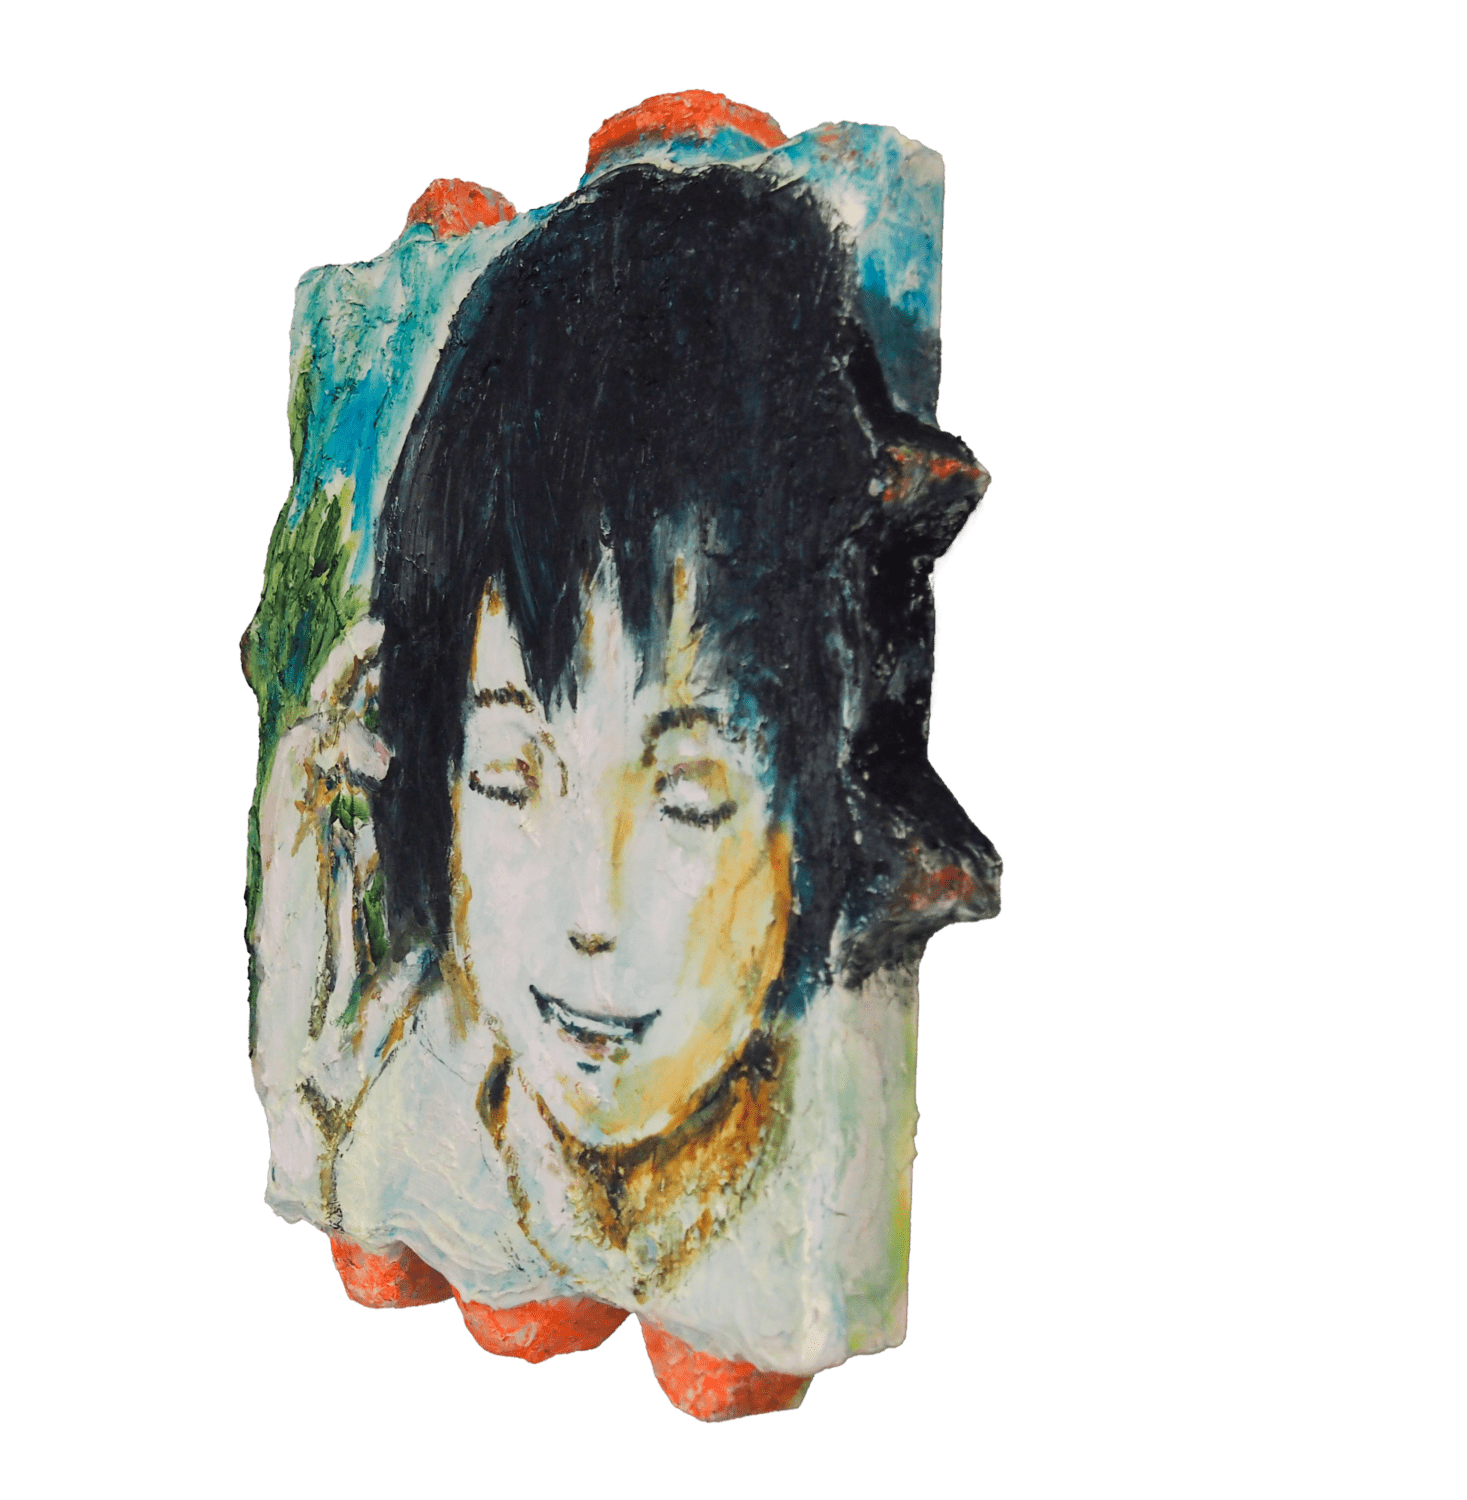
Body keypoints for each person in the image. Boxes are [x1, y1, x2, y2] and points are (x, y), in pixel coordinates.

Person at [250, 161, 998, 1419]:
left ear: (814, 806)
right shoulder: (390, 1094)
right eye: (506, 778)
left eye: (686, 797)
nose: (589, 912)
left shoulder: (815, 1163)